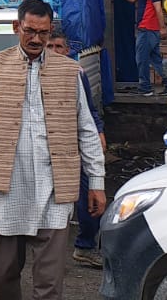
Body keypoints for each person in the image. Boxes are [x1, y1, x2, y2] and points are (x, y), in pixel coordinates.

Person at [0, 0, 107, 300]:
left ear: (51, 31)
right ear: (16, 27)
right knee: (0, 274)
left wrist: (97, 182)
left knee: (49, 284)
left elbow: (87, 130)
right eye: (30, 31)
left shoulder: (70, 71)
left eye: (44, 32)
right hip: (6, 189)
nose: (37, 39)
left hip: (54, 191)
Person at [46, 31, 106, 269]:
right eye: (49, 46)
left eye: (58, 46)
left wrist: (99, 133)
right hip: (47, 149)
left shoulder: (76, 73)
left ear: (68, 49)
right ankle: (49, 256)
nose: (53, 51)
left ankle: (85, 246)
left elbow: (89, 110)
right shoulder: (33, 74)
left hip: (74, 147)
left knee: (89, 196)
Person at [114, 0, 167, 96]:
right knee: (155, 59)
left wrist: (162, 27)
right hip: (147, 28)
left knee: (141, 59)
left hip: (148, 28)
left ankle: (145, 88)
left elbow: (158, 8)